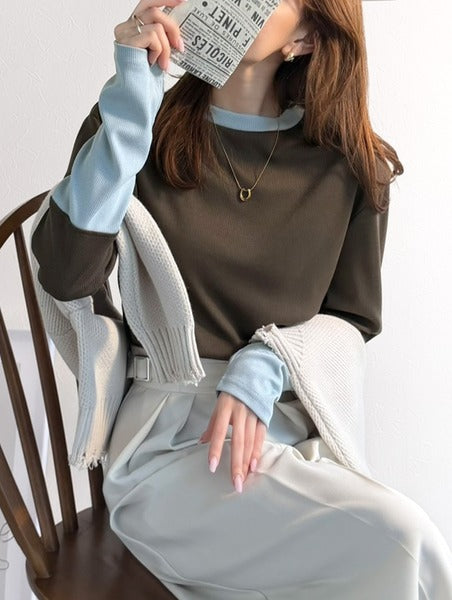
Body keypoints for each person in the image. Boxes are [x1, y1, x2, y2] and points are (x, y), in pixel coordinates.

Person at [31, 0, 452, 597]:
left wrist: (270, 360)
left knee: (396, 546)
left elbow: (352, 319)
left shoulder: (355, 168)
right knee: (404, 544)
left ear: (306, 37)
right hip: (169, 449)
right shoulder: (134, 121)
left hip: (293, 443)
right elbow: (66, 273)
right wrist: (131, 104)